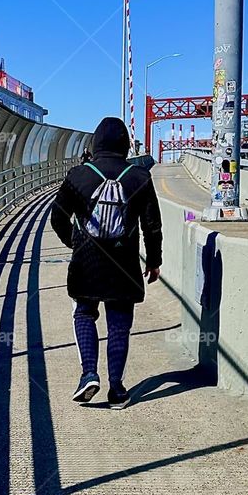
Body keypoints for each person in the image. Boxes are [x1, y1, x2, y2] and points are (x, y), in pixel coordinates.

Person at [50, 116, 163, 408]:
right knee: (119, 326)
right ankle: (117, 390)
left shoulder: (78, 175)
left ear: (95, 143)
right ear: (125, 145)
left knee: (84, 314)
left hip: (86, 263)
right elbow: (152, 225)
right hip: (124, 265)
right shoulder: (139, 177)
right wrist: (153, 261)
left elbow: (58, 217)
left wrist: (75, 242)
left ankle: (89, 374)